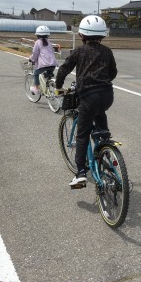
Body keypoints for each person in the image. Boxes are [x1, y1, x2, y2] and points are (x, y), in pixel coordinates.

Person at [55, 15, 117, 189]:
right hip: (107, 95)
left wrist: (58, 86)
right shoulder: (107, 51)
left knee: (82, 135)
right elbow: (113, 72)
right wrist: (102, 80)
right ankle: (105, 147)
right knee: (100, 115)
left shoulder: (79, 51)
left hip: (88, 96)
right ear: (102, 35)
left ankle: (81, 172)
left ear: (82, 34)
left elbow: (64, 69)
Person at [28, 25, 58, 95]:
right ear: (47, 35)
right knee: (47, 76)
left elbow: (35, 54)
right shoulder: (49, 42)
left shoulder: (38, 42)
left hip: (44, 65)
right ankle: (49, 87)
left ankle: (36, 88)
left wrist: (31, 59)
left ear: (37, 35)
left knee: (36, 73)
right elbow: (52, 52)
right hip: (53, 64)